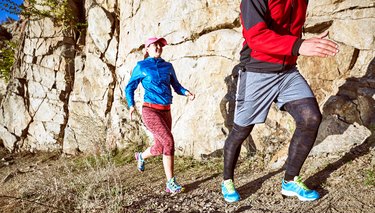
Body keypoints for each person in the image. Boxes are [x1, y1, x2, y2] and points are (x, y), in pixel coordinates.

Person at [222, 0, 339, 202]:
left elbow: (289, 29)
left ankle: (290, 181)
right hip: (257, 70)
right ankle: (227, 180)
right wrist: (299, 45)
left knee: (310, 118)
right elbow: (256, 36)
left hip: (287, 72)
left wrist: (305, 43)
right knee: (241, 130)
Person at [125, 37, 195, 194]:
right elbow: (129, 87)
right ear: (147, 49)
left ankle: (141, 156)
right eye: (154, 45)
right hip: (150, 110)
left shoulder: (168, 66)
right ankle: (170, 183)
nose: (158, 47)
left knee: (159, 147)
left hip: (166, 111)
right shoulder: (141, 66)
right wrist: (131, 105)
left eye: (160, 45)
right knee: (169, 141)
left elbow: (176, 85)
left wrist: (186, 92)